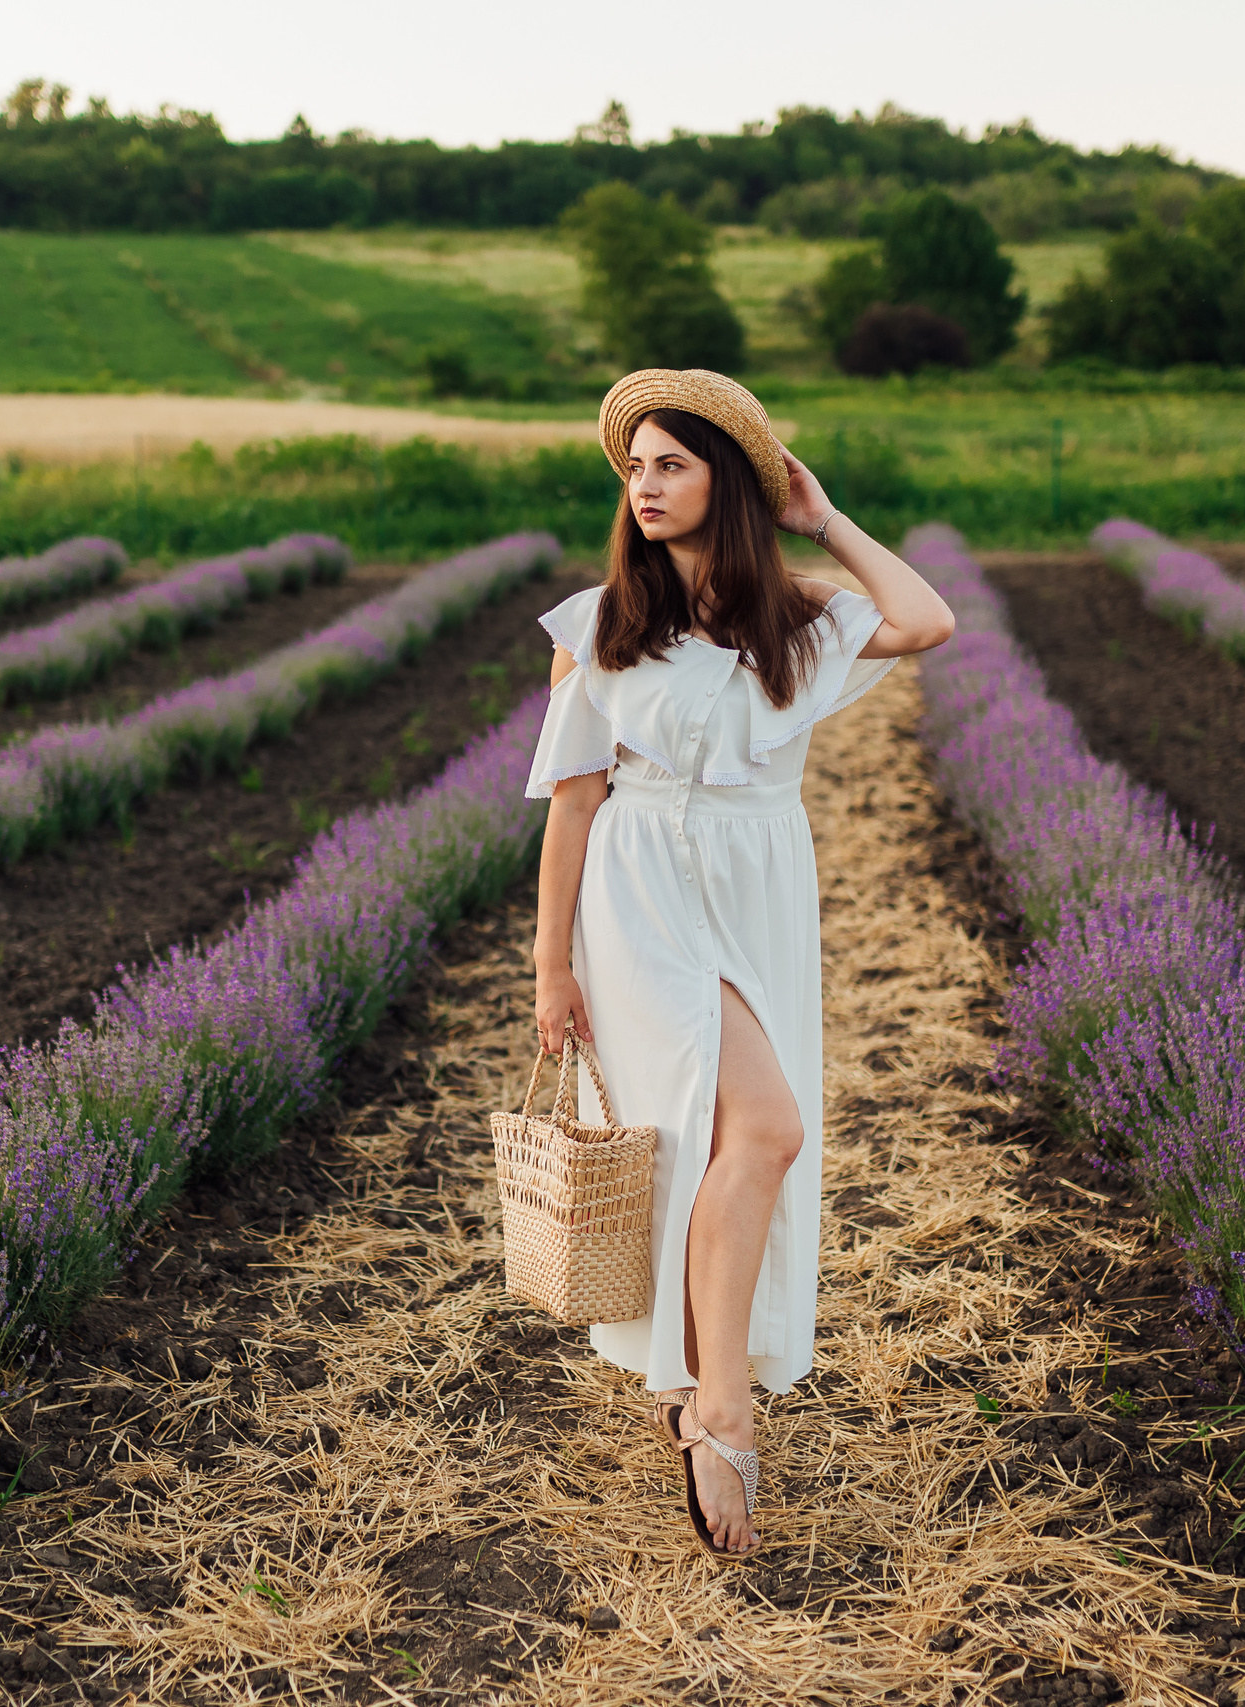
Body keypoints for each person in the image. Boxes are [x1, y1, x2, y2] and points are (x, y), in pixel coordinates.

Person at [523, 368, 956, 1560]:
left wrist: (825, 522)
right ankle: (720, 1403)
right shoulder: (601, 623)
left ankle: (696, 1390)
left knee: (727, 1144)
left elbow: (927, 621)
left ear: (728, 479)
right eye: (634, 468)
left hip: (758, 884)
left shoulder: (794, 617)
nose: (645, 486)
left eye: (671, 463)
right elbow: (570, 808)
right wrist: (549, 970)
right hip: (641, 890)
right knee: (761, 1130)